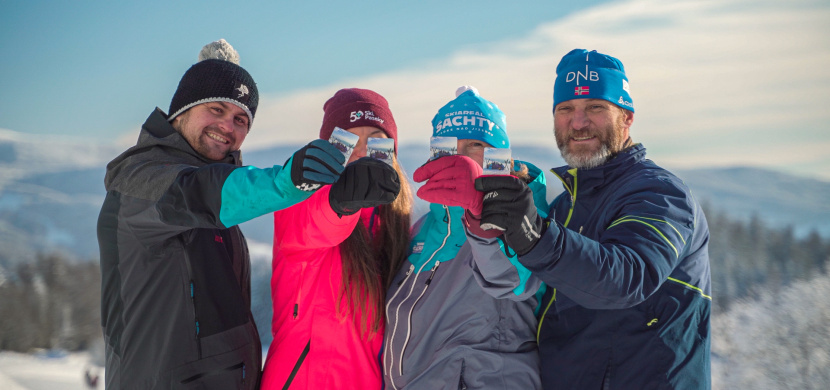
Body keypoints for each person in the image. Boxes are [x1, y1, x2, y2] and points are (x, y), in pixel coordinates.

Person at [97, 39, 346, 389]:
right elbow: (198, 191)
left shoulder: (214, 191)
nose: (228, 126)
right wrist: (287, 181)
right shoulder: (140, 180)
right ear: (180, 112)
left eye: (241, 119)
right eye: (215, 109)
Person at [475, 49, 712, 389]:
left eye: (595, 108)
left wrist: (536, 236)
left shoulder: (659, 194)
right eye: (565, 109)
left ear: (627, 117)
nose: (578, 122)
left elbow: (628, 278)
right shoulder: (564, 208)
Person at [383, 86, 544, 389]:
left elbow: (516, 280)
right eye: (450, 145)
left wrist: (483, 214)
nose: (460, 156)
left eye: (475, 144)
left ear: (499, 154)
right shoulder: (423, 227)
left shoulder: (522, 212)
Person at [261, 88, 412, 389]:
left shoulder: (397, 225)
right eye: (349, 139)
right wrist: (340, 202)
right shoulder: (303, 200)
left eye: (375, 139)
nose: (362, 150)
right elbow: (315, 224)